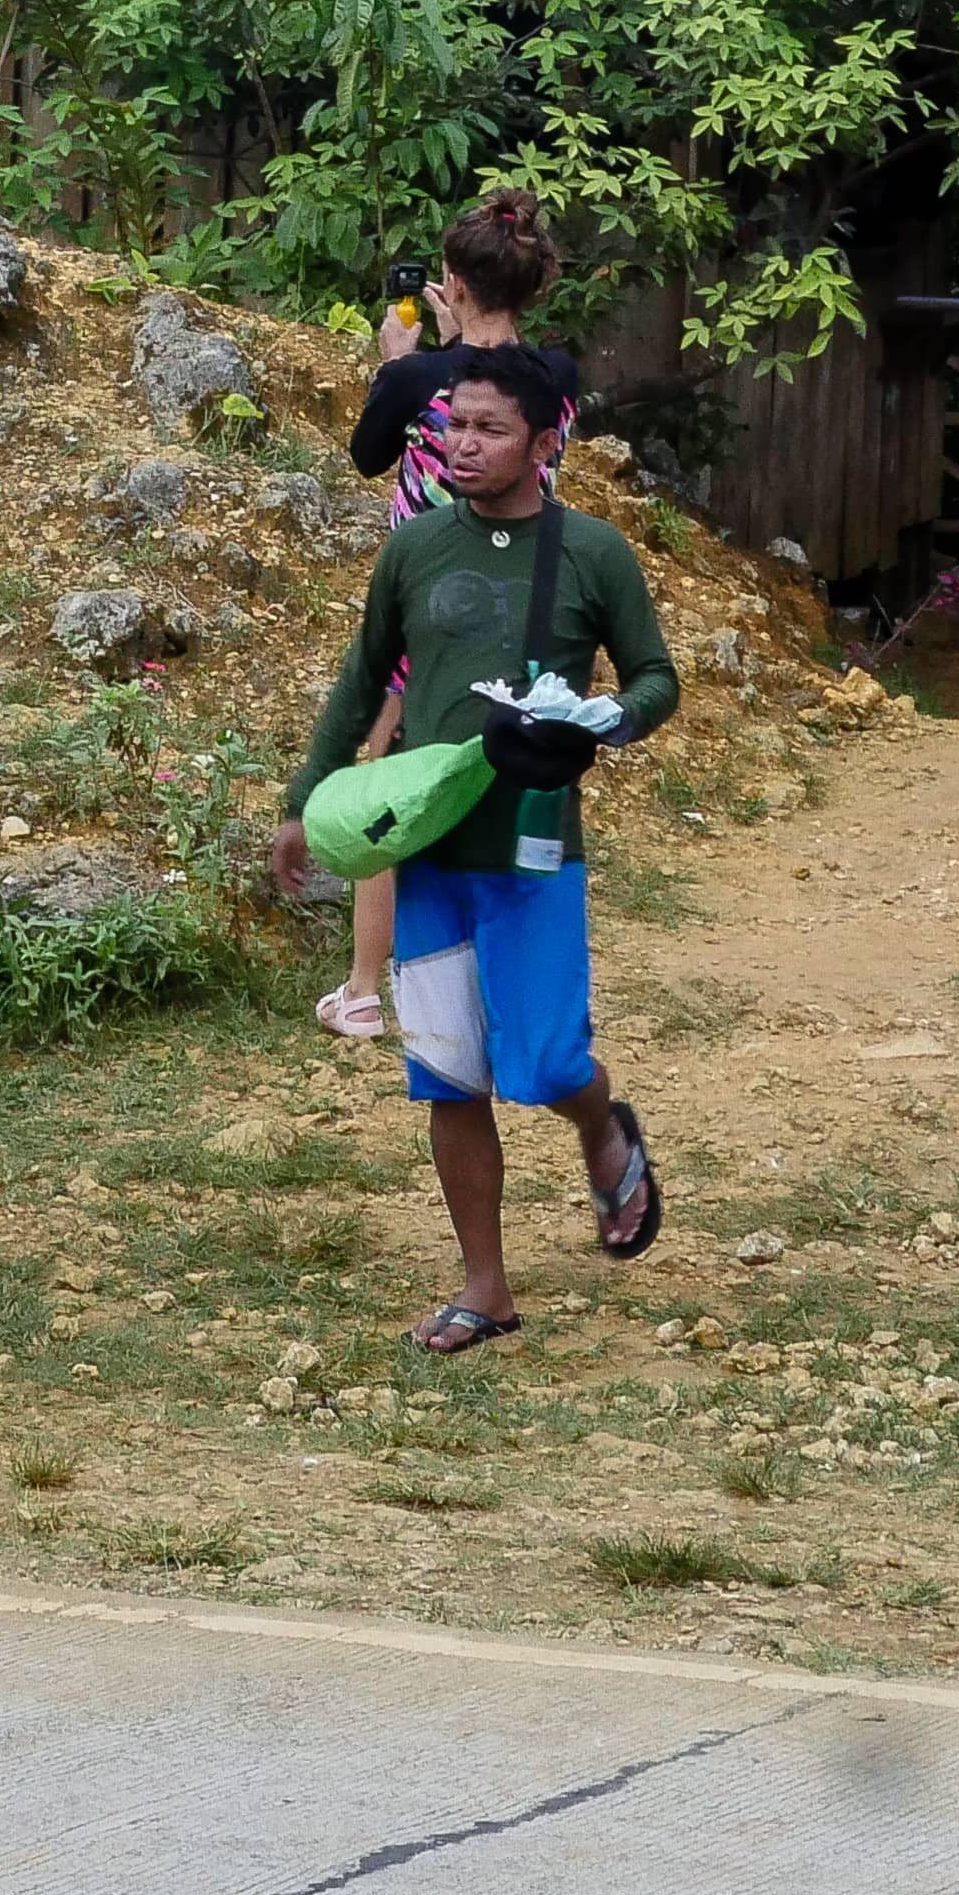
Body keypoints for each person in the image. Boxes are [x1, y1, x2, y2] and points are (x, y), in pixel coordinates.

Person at [288, 351, 680, 1355]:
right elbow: (360, 679)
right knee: (449, 1076)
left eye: (490, 429)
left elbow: (656, 678)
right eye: (454, 425)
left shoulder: (593, 552)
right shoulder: (414, 547)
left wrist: (610, 716)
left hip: (536, 847)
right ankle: (485, 1288)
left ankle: (602, 1128)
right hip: (428, 850)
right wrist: (305, 803)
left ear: (546, 444)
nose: (462, 444)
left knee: (546, 1063)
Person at [306, 187, 575, 1039]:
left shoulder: (420, 377)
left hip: (429, 603)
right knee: (494, 774)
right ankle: (505, 982)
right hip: (526, 600)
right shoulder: (556, 377)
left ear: (451, 282)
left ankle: (361, 989)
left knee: (388, 779)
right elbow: (492, 388)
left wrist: (397, 362)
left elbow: (363, 455)